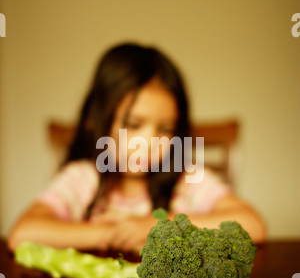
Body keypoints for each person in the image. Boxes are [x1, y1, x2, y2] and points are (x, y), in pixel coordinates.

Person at [8, 43, 266, 254]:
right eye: (133, 125)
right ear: (94, 120)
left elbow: (253, 226)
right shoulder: (81, 179)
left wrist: (155, 227)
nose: (150, 143)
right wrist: (113, 233)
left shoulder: (187, 181)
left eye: (164, 129)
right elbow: (22, 234)